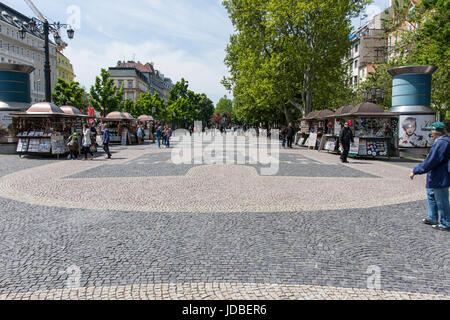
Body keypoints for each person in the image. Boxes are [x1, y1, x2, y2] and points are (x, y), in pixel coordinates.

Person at [410, 122, 450, 232]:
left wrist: (416, 170)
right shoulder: (443, 141)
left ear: (435, 131)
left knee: (442, 199)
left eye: (431, 131)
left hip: (440, 175)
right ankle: (432, 217)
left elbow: (432, 160)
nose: (431, 133)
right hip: (436, 175)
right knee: (431, 193)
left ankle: (446, 223)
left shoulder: (442, 143)